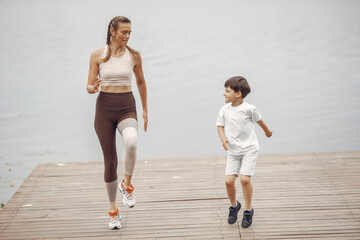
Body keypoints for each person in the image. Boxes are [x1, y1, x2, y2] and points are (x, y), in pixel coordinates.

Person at [86, 16, 148, 230]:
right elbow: (89, 84)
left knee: (131, 141)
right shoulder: (98, 55)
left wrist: (145, 109)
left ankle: (127, 185)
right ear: (112, 31)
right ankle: (113, 212)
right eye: (124, 32)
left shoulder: (134, 56)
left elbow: (141, 82)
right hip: (104, 109)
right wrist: (92, 88)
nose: (128, 36)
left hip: (126, 106)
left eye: (130, 32)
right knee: (110, 160)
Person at [216, 76, 272, 228]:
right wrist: (223, 139)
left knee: (244, 180)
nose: (224, 94)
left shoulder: (249, 109)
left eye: (227, 91)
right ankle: (234, 206)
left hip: (249, 149)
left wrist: (267, 132)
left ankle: (248, 210)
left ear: (238, 94)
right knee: (228, 181)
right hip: (233, 151)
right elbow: (220, 125)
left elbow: (259, 120)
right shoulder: (224, 110)